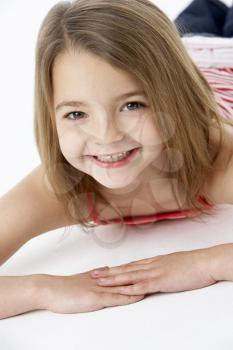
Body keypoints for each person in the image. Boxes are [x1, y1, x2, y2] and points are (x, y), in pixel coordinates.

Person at [1, 0, 233, 320]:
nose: (106, 136)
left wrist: (207, 263)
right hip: (189, 51)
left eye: (132, 106)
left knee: (207, 19)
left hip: (222, 63)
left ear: (174, 100)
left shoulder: (219, 159)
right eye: (77, 113)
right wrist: (41, 289)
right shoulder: (59, 187)